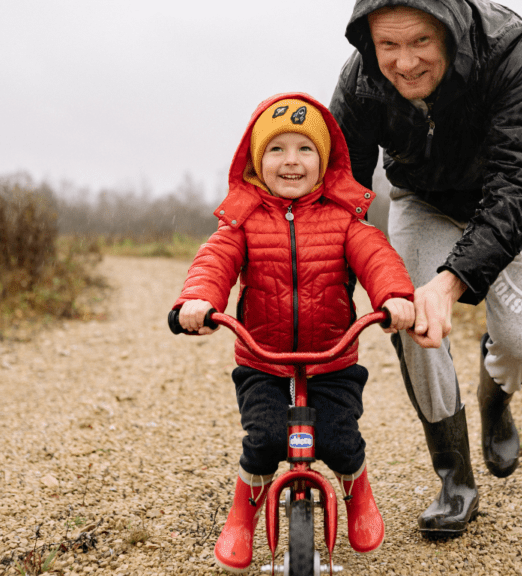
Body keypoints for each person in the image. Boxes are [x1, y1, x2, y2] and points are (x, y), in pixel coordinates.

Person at [330, 0, 522, 536]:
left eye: (420, 43)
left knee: (521, 344)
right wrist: (331, 288)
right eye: (388, 45)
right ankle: (455, 477)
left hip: (507, 199)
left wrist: (452, 280)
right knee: (413, 323)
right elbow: (344, 192)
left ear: (450, 31)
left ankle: (495, 400)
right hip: (422, 197)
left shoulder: (513, 51)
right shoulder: (361, 81)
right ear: (369, 41)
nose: (405, 63)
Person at [172, 92, 416, 573]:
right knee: (263, 439)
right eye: (277, 149)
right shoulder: (242, 223)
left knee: (341, 439)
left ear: (324, 162)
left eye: (305, 150)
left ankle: (357, 491)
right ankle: (243, 514)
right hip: (263, 361)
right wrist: (198, 301)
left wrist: (394, 296)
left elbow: (377, 256)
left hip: (333, 359)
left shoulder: (345, 220)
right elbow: (214, 261)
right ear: (256, 161)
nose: (291, 161)